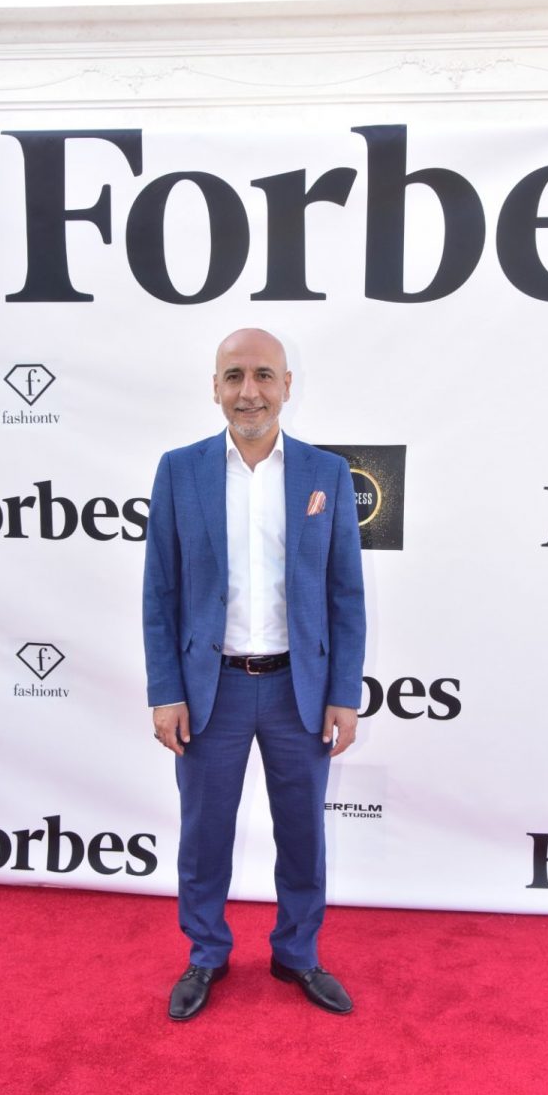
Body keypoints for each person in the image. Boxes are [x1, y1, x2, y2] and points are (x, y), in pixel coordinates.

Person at [143, 327, 366, 1021]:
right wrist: (166, 691)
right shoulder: (179, 471)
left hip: (300, 691)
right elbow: (161, 591)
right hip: (212, 690)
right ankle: (206, 952)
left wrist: (344, 693)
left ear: (286, 385)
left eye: (264, 375)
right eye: (234, 376)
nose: (249, 391)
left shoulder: (326, 474)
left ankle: (296, 952)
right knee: (204, 834)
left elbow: (345, 592)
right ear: (215, 386)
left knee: (302, 833)